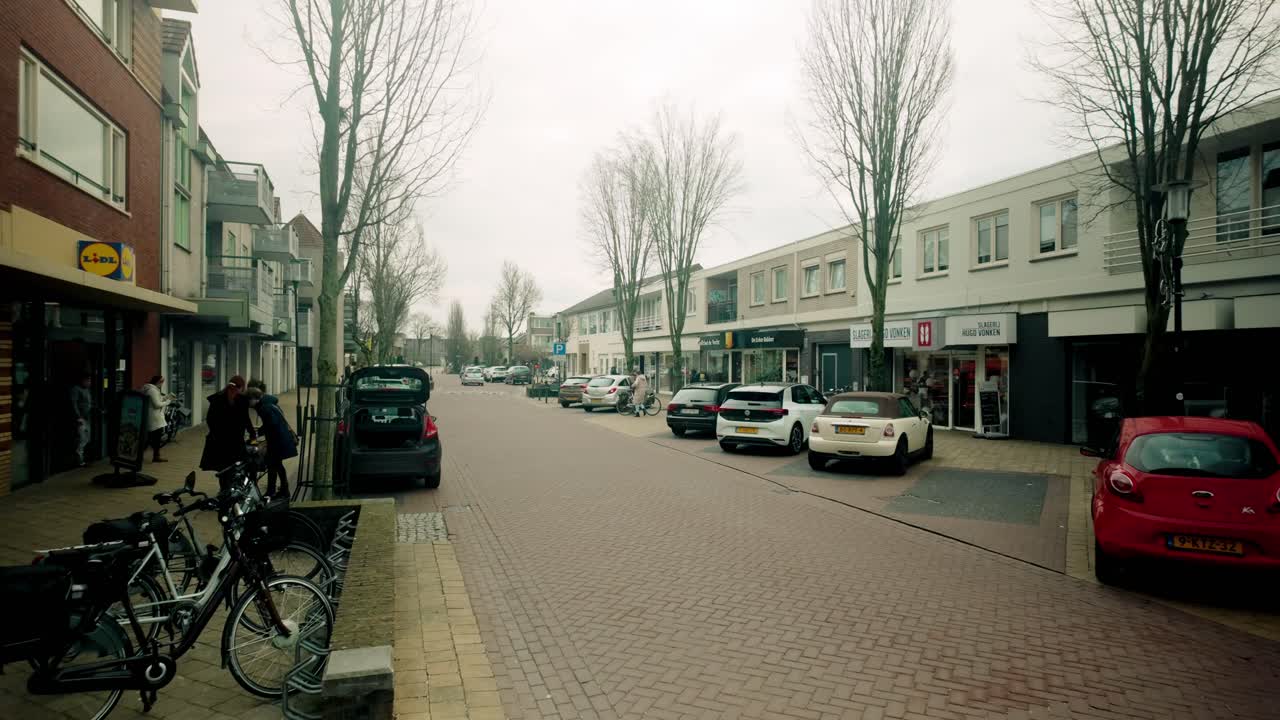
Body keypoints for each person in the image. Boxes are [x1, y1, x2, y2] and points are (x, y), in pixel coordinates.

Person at [244, 385, 297, 499]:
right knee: (276, 465)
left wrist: (257, 434)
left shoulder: (264, 408)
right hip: (281, 439)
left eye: (248, 400)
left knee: (274, 465)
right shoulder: (268, 404)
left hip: (277, 441)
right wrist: (260, 431)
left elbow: (271, 424)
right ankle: (281, 490)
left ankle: (274, 491)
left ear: (254, 399)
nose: (248, 404)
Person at [199, 375, 254, 472]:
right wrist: (252, 434)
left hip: (219, 440)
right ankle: (229, 486)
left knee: (222, 468)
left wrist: (216, 432)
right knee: (235, 466)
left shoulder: (217, 398)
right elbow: (246, 419)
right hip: (234, 440)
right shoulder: (242, 400)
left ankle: (224, 486)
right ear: (240, 387)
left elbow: (210, 419)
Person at [141, 375, 168, 463]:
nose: (162, 384)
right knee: (154, 439)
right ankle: (155, 457)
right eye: (161, 382)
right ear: (158, 382)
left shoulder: (149, 389)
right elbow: (156, 404)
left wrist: (166, 397)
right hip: (154, 419)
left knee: (150, 438)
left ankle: (154, 456)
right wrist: (167, 402)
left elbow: (157, 400)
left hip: (152, 418)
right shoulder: (152, 390)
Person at [70, 374, 92, 467]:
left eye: (90, 381)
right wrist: (78, 416)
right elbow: (73, 403)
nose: (89, 383)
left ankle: (81, 458)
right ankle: (79, 461)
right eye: (88, 381)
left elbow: (88, 403)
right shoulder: (76, 389)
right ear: (82, 380)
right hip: (80, 418)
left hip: (87, 418)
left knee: (86, 438)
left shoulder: (87, 390)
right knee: (81, 439)